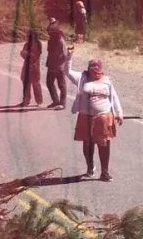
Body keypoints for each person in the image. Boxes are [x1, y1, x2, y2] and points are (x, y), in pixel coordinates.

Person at [65, 49, 123, 181]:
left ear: (101, 68)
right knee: (88, 144)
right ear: (88, 67)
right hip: (85, 116)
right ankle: (90, 168)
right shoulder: (82, 78)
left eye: (97, 65)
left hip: (103, 116)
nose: (94, 67)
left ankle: (105, 172)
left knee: (104, 144)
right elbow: (67, 71)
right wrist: (69, 56)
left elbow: (114, 97)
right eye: (92, 65)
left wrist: (119, 113)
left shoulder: (107, 80)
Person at [45, 18, 68, 109]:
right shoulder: (51, 40)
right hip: (51, 65)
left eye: (50, 32)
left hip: (59, 66)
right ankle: (55, 101)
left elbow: (65, 54)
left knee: (61, 85)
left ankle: (63, 103)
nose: (49, 33)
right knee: (49, 83)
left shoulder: (60, 41)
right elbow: (49, 52)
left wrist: (60, 64)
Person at [18, 29, 44, 106]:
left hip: (34, 66)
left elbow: (35, 55)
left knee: (36, 84)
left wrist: (26, 54)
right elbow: (23, 54)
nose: (28, 36)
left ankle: (39, 101)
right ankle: (26, 101)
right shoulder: (26, 44)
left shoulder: (38, 44)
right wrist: (24, 53)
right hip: (26, 66)